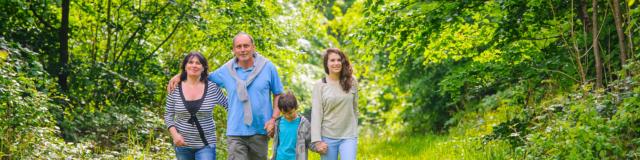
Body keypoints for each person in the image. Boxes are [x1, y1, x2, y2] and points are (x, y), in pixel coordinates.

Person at [167, 32, 283, 160]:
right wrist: (181, 76)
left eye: (246, 46)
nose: (243, 50)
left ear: (253, 47)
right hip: (235, 132)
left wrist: (273, 119)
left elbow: (278, 94)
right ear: (233, 50)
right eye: (239, 47)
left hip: (260, 129)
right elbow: (203, 76)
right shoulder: (226, 70)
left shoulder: (268, 67)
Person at [164, 52, 229, 160]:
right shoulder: (175, 87)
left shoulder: (212, 88)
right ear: (185, 66)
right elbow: (168, 115)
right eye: (190, 62)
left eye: (198, 63)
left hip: (206, 144)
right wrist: (175, 136)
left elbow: (230, 106)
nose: (194, 65)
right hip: (182, 145)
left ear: (203, 68)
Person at [311, 48, 359, 160]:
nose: (336, 63)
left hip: (349, 136)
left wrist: (354, 129)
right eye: (332, 60)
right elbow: (316, 114)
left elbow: (355, 108)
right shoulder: (320, 85)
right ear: (326, 64)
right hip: (327, 137)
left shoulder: (352, 82)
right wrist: (317, 141)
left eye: (339, 60)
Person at [270, 91, 317, 160]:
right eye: (284, 113)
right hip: (279, 157)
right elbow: (277, 140)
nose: (287, 116)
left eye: (290, 113)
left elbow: (310, 141)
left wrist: (318, 147)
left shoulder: (303, 123)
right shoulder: (278, 122)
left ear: (296, 107)